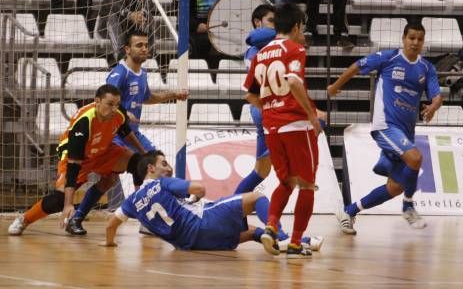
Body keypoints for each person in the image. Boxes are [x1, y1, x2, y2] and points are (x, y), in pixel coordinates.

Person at [66, 30, 188, 232]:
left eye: (145, 45)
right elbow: (108, 99)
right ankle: (76, 218)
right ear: (127, 49)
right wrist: (122, 112)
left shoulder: (143, 74)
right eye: (138, 45)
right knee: (113, 179)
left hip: (134, 134)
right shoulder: (119, 73)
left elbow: (147, 97)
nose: (144, 49)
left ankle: (148, 220)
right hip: (115, 135)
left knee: (162, 166)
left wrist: (173, 94)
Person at [327, 22, 443, 234]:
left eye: (420, 39)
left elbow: (437, 96)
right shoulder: (389, 58)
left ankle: (349, 211)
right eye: (412, 38)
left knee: (396, 187)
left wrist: (433, 107)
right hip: (385, 126)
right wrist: (335, 86)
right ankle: (408, 207)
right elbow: (357, 66)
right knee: (416, 158)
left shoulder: (426, 67)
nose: (415, 42)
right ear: (403, 38)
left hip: (406, 133)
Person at [102, 151, 316, 255]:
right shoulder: (163, 183)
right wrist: (193, 198)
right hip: (204, 220)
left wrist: (110, 243)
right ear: (150, 169)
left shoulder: (131, 201)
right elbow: (200, 189)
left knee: (251, 232)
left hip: (190, 245)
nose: (168, 168)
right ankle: (291, 239)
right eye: (163, 164)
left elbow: (111, 225)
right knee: (256, 197)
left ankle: (296, 243)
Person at [237, 4, 325, 252]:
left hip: (271, 128)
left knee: (286, 182)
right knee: (307, 185)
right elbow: (294, 82)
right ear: (296, 27)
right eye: (303, 28)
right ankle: (296, 243)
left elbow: (249, 95)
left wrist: (270, 111)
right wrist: (312, 114)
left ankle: (271, 226)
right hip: (296, 125)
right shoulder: (295, 49)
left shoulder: (260, 53)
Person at [8, 85, 146, 236]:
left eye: (117, 104)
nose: (114, 108)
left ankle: (139, 213)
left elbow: (125, 132)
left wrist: (144, 152)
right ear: (97, 101)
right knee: (60, 199)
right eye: (110, 104)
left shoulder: (118, 113)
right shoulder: (84, 123)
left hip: (102, 151)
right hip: (76, 156)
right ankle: (24, 219)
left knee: (138, 164)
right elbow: (74, 167)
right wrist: (68, 204)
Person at [189, 0, 230, 70]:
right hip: (195, 31)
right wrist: (196, 25)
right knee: (202, 41)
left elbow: (230, 8)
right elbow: (180, 11)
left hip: (220, 29)